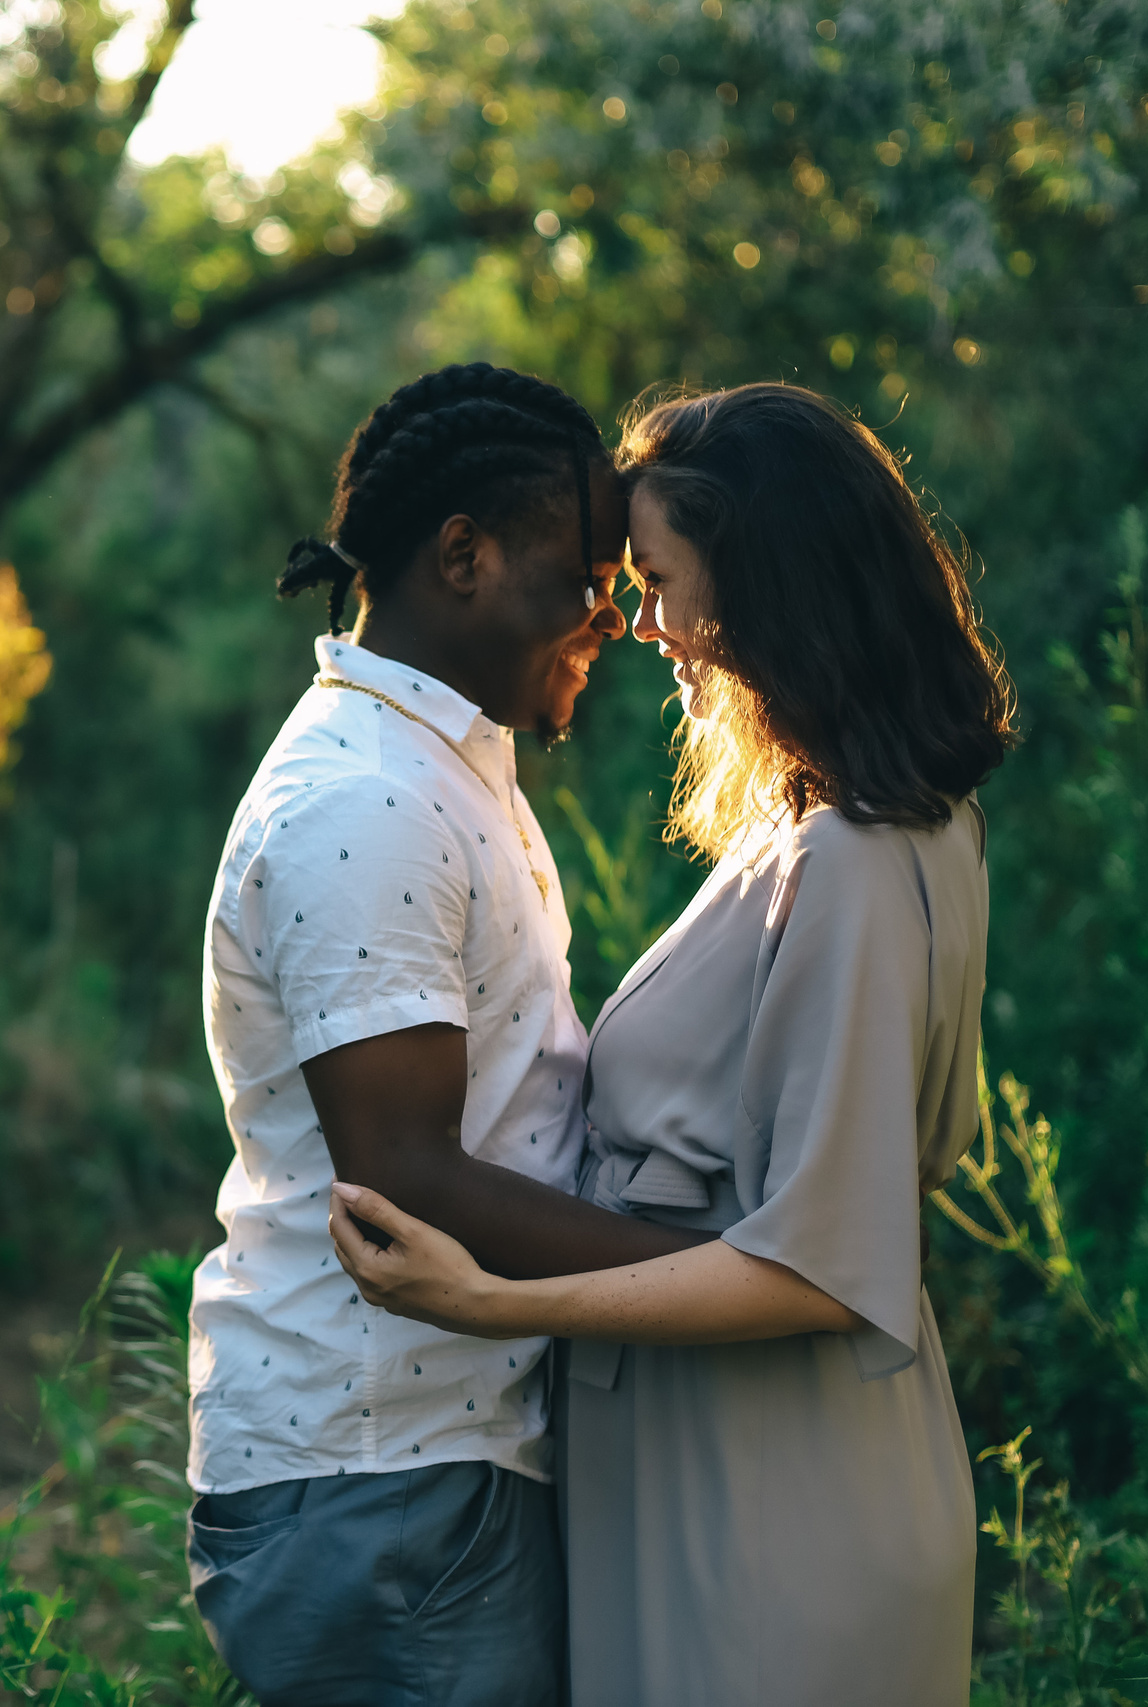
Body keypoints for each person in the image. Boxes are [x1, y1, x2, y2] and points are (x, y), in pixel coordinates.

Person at [330, 382, 1018, 1707]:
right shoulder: (856, 827)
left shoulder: (856, 859)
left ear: (764, 592)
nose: (639, 627)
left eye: (657, 584)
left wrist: (493, 1304)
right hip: (732, 1465)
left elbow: (821, 1265)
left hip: (773, 1498)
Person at [188, 363, 713, 1707]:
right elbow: (403, 1175)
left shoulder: (436, 768)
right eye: (586, 576)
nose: (612, 618)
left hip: (433, 1461)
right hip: (384, 1484)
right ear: (464, 556)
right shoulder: (361, 799)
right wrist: (714, 1283)